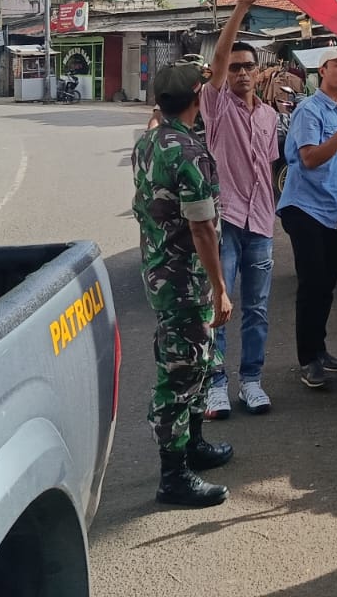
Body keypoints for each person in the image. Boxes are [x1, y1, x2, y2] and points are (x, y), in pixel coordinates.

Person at [134, 60, 235, 507]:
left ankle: (192, 444)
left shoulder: (150, 141)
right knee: (180, 370)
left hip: (160, 270)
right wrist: (219, 287)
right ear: (199, 96)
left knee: (198, 357)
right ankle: (172, 475)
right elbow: (201, 229)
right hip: (184, 278)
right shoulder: (190, 153)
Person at [199, 0, 281, 418]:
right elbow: (216, 61)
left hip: (261, 224)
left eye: (247, 66)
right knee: (220, 303)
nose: (241, 73)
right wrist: (240, 10)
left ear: (258, 71)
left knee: (258, 309)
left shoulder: (269, 116)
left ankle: (251, 380)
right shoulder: (215, 106)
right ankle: (215, 383)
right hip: (226, 221)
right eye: (234, 67)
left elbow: (267, 168)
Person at [278, 44, 337, 390]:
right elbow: (310, 159)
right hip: (305, 209)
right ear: (323, 72)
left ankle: (319, 350)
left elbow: (335, 153)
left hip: (330, 210)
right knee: (312, 285)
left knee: (326, 285)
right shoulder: (309, 110)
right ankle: (308, 361)